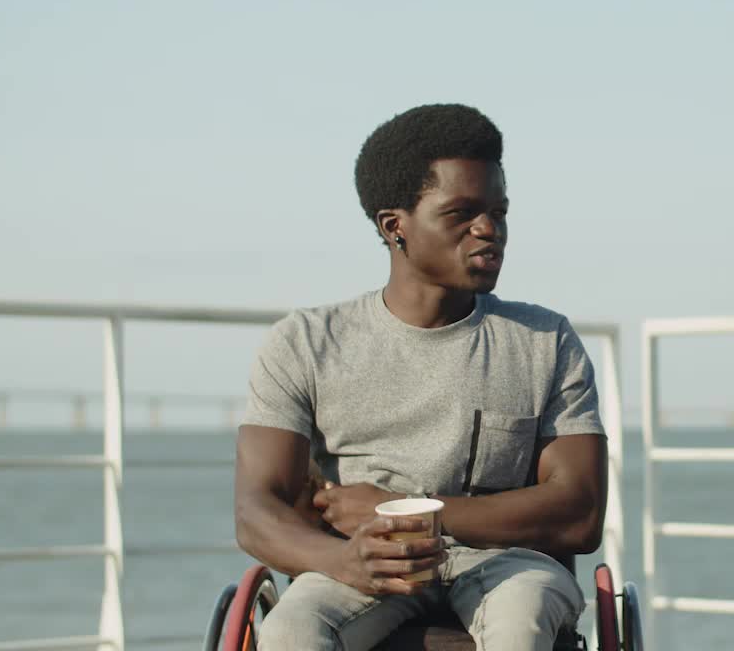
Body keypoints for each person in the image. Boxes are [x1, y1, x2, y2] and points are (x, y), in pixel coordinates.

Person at [234, 103, 608, 651]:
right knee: (291, 630)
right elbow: (255, 511)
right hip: (362, 560)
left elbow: (580, 514)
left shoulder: (545, 340)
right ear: (395, 227)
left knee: (520, 623)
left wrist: (414, 511)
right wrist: (342, 558)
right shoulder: (306, 342)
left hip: (510, 566)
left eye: (498, 212)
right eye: (462, 213)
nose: (489, 230)